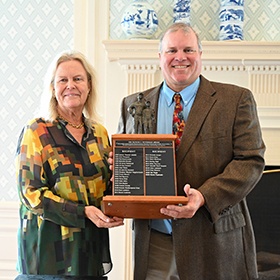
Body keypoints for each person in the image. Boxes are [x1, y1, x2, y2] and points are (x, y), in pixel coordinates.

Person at [114, 23, 266, 280]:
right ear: (160, 57)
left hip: (215, 238)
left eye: (188, 49)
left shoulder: (235, 100)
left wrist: (204, 196)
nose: (180, 57)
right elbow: (127, 168)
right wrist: (118, 167)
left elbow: (250, 161)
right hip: (155, 243)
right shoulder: (132, 105)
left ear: (200, 55)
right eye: (171, 50)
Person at [15, 51, 124, 276]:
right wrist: (83, 212)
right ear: (53, 88)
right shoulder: (37, 131)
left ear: (89, 86)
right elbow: (31, 194)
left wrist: (121, 186)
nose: (70, 85)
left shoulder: (100, 134)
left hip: (89, 256)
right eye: (62, 80)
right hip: (47, 259)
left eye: (78, 79)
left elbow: (104, 192)